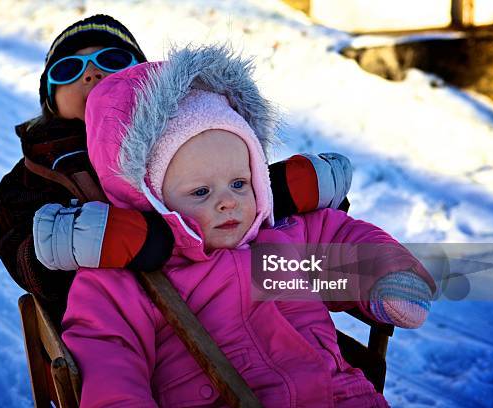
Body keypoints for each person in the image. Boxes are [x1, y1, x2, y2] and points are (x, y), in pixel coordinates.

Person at [60, 45, 436, 407]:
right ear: (152, 199)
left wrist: (388, 276)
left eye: (240, 183)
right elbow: (111, 367)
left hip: (341, 396)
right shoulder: (124, 283)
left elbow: (345, 239)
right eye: (201, 191)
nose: (229, 202)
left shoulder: (283, 239)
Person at [0, 15, 354, 322]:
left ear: (143, 77)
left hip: (227, 289)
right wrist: (78, 241)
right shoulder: (31, 175)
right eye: (70, 68)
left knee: (315, 262)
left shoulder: (181, 132)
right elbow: (21, 254)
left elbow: (222, 180)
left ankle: (388, 280)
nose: (91, 74)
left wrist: (272, 190)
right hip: (124, 317)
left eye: (113, 60)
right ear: (49, 98)